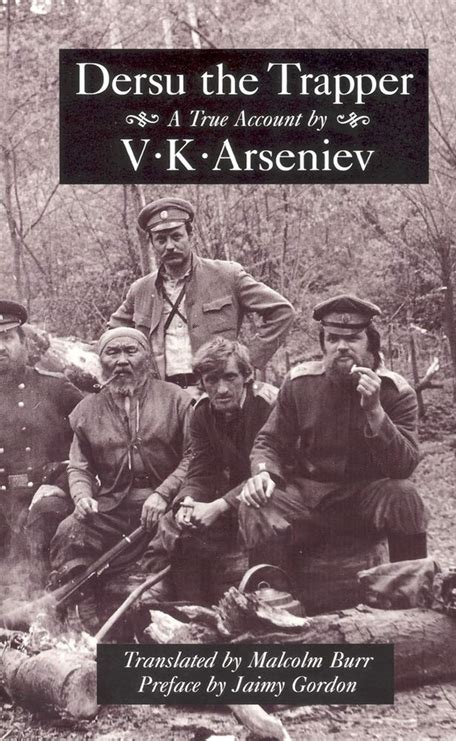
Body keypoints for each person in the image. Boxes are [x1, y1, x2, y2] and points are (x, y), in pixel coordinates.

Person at [238, 294, 428, 571]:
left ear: (371, 346)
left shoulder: (395, 392)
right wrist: (264, 473)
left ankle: (412, 585)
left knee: (404, 496)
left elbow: (404, 466)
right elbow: (269, 441)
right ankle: (270, 590)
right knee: (257, 502)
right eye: (333, 338)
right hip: (308, 500)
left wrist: (375, 411)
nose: (342, 347)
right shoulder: (300, 384)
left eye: (352, 339)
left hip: (365, 500)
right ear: (323, 345)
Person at [50, 327, 192, 628]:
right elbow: (79, 466)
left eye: (131, 351)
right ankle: (83, 611)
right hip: (114, 506)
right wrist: (82, 497)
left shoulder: (176, 399)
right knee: (70, 531)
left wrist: (164, 493)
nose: (122, 361)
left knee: (182, 538)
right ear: (101, 361)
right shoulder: (86, 410)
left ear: (147, 358)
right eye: (112, 353)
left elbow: (195, 457)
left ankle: (161, 609)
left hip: (170, 503)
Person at [108, 196, 295, 393]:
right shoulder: (141, 289)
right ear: (152, 243)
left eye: (176, 237)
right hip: (162, 395)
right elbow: (112, 334)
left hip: (217, 393)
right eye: (161, 239)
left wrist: (247, 359)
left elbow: (282, 311)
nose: (169, 246)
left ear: (191, 235)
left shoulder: (227, 275)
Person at [143, 337, 278, 602]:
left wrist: (219, 506)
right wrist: (188, 500)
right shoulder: (202, 413)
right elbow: (201, 469)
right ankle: (187, 607)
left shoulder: (268, 405)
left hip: (272, 490)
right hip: (233, 492)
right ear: (202, 383)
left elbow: (278, 468)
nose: (222, 389)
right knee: (175, 520)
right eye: (212, 380)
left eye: (230, 377)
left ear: (247, 376)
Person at [0, 300, 83, 585]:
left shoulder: (55, 387)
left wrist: (63, 484)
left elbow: (97, 438)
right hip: (3, 501)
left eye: (7, 338)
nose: (0, 348)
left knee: (45, 518)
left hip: (47, 496)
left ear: (24, 343)